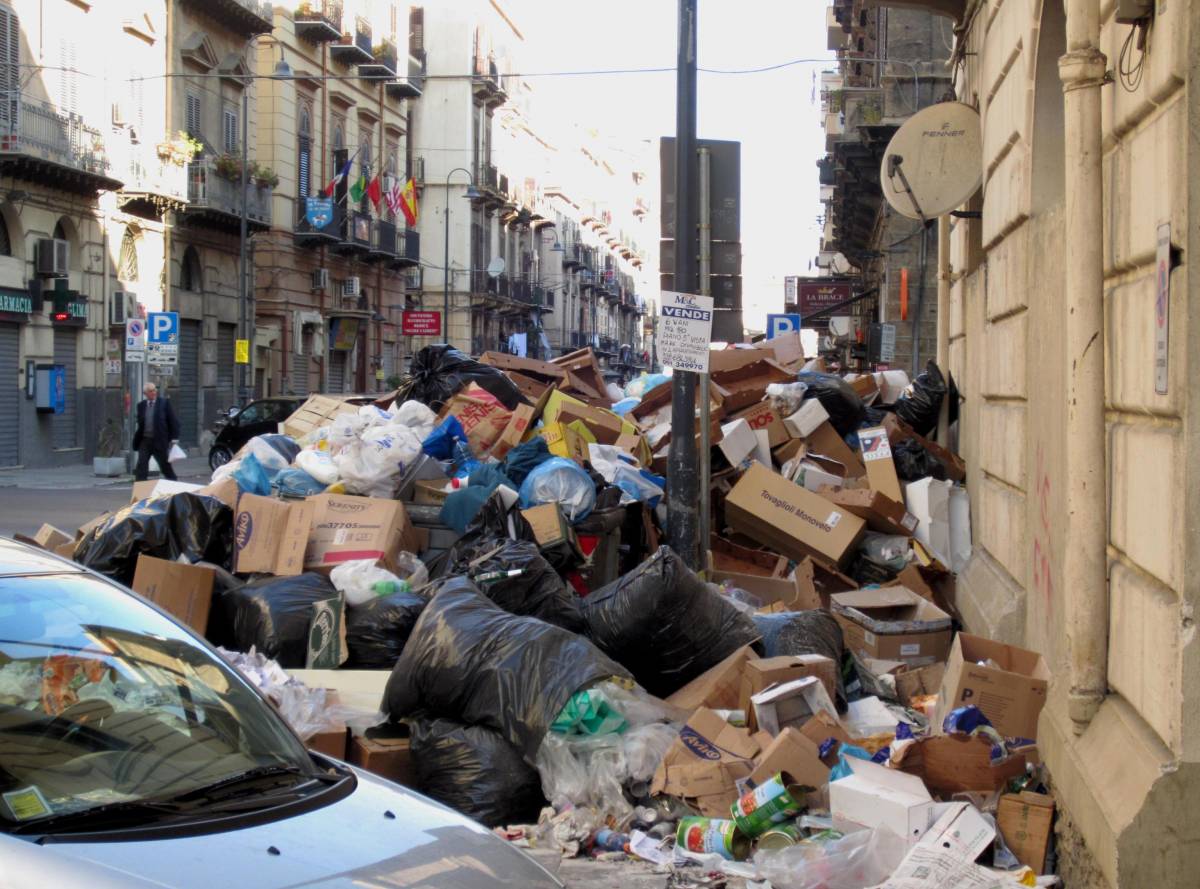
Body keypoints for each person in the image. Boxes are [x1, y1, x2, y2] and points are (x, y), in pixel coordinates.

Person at [133, 383, 181, 481]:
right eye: (150, 391)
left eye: (154, 390)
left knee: (165, 466)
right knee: (141, 465)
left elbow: (173, 421)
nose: (154, 392)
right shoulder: (141, 406)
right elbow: (141, 423)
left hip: (159, 441)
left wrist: (174, 438)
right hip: (145, 441)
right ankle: (140, 489)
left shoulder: (164, 403)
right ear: (145, 393)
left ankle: (174, 484)